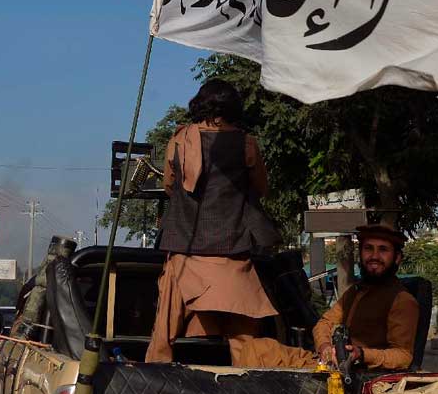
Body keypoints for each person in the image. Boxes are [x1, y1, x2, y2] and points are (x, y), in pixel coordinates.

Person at [144, 79, 280, 365]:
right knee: (246, 347)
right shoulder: (247, 144)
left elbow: (170, 187)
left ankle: (152, 391)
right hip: (233, 256)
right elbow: (260, 190)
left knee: (162, 339)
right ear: (234, 108)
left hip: (185, 253)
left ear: (200, 104)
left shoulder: (179, 141)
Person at [233, 224, 419, 371]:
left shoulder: (402, 300)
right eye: (368, 249)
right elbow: (324, 323)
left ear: (397, 258)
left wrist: (361, 354)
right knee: (256, 348)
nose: (374, 256)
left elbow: (403, 356)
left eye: (383, 250)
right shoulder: (355, 292)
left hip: (360, 374)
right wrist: (324, 347)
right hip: (329, 364)